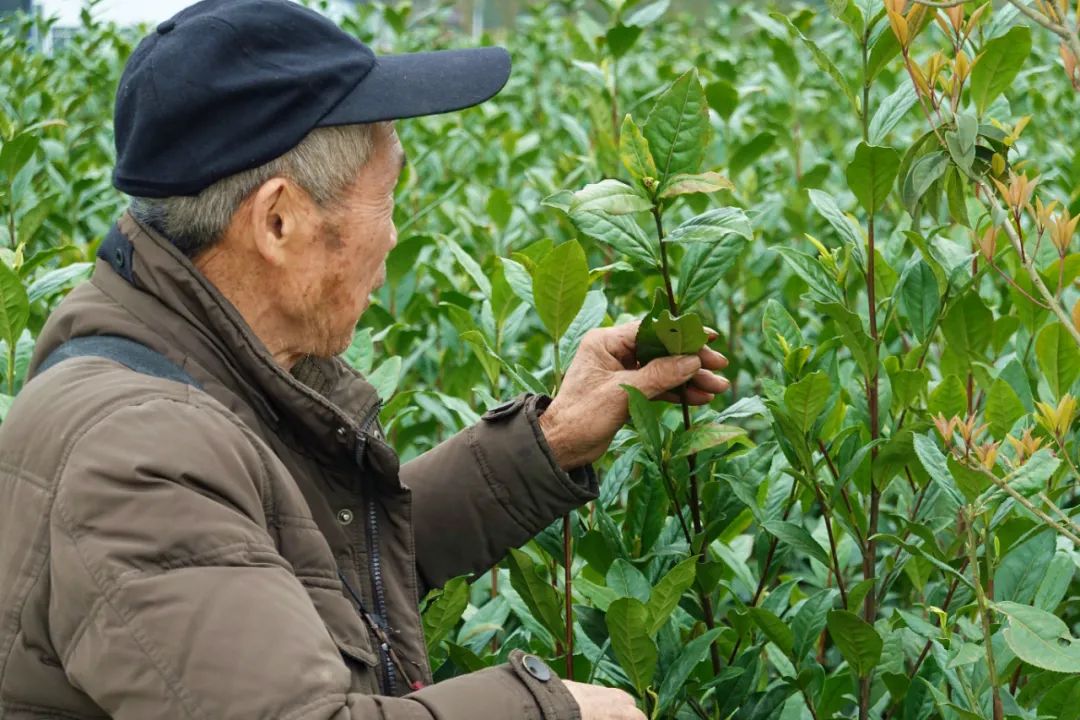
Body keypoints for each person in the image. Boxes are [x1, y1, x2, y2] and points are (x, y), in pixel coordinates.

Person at [0, 1, 729, 718]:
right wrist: (547, 708)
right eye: (386, 200)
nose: (393, 240)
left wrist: (550, 441)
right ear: (278, 221)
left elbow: (309, 576)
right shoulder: (142, 456)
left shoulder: (176, 364)